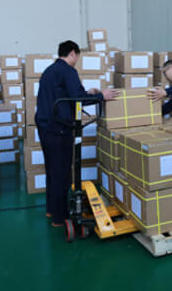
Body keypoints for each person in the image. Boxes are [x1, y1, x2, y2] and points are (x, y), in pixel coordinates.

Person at [36, 40, 118, 226]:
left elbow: (67, 94)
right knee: (62, 172)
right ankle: (60, 217)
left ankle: (51, 209)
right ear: (72, 53)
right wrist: (101, 96)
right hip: (59, 128)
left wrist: (88, 92)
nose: (77, 61)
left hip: (45, 127)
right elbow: (77, 98)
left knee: (52, 169)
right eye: (78, 57)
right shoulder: (68, 71)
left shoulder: (49, 71)